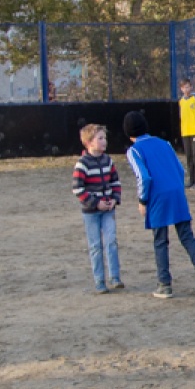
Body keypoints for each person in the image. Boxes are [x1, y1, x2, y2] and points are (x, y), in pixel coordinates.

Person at [123, 111, 195, 299]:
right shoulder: (164, 144)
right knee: (187, 236)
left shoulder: (134, 151)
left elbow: (144, 177)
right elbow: (180, 170)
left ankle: (164, 284)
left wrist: (142, 200)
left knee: (160, 240)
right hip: (176, 193)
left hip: (157, 197)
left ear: (128, 133)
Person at [72, 123, 123, 294]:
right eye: (100, 138)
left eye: (105, 138)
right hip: (91, 212)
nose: (104, 141)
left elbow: (115, 182)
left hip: (108, 209)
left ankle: (115, 277)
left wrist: (114, 199)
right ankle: (100, 281)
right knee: (95, 246)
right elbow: (77, 189)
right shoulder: (82, 164)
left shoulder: (108, 161)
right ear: (89, 142)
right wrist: (95, 203)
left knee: (111, 241)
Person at [177, 78, 195, 187]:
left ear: (191, 87)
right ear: (181, 89)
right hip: (185, 132)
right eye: (184, 87)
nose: (186, 89)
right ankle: (192, 179)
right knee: (189, 156)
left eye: (188, 87)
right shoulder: (181, 101)